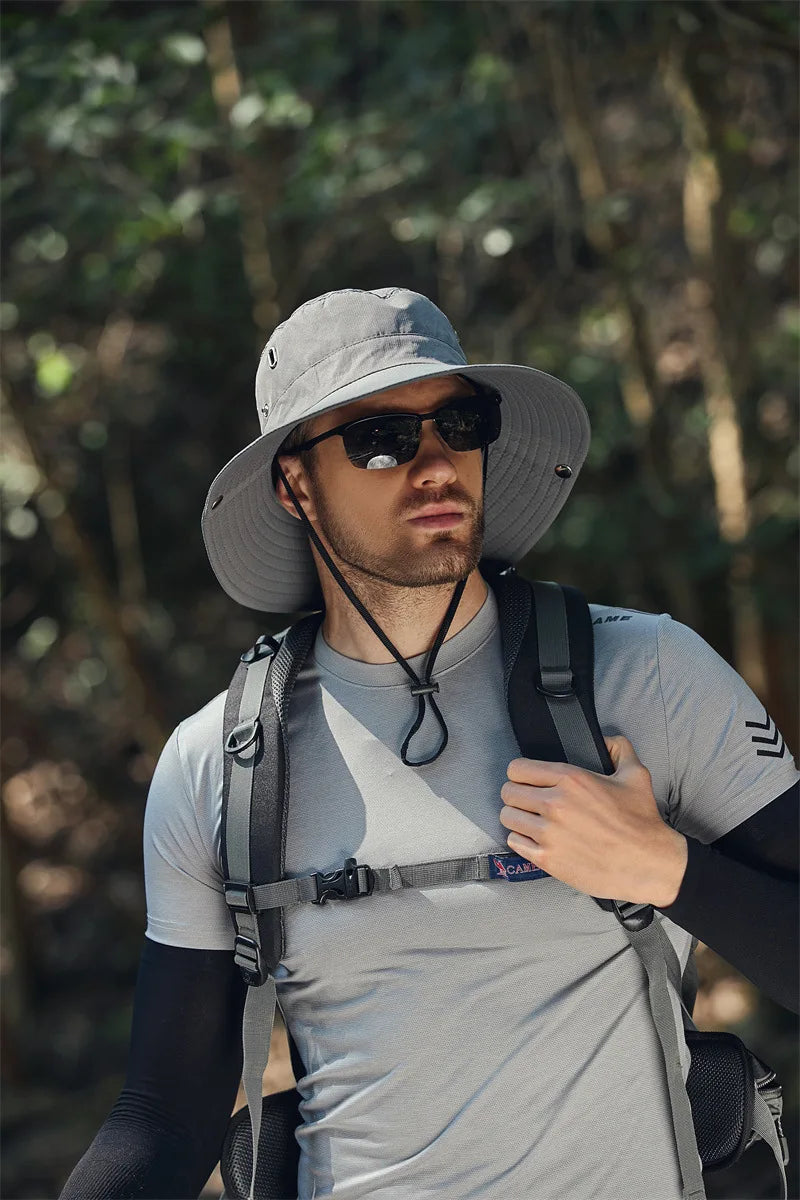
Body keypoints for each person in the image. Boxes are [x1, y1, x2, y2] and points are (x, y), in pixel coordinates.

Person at [60, 286, 798, 1200]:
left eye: (459, 421)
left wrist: (670, 872)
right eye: (382, 438)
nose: (438, 463)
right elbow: (166, 1117)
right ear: (296, 484)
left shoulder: (647, 672)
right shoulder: (218, 763)